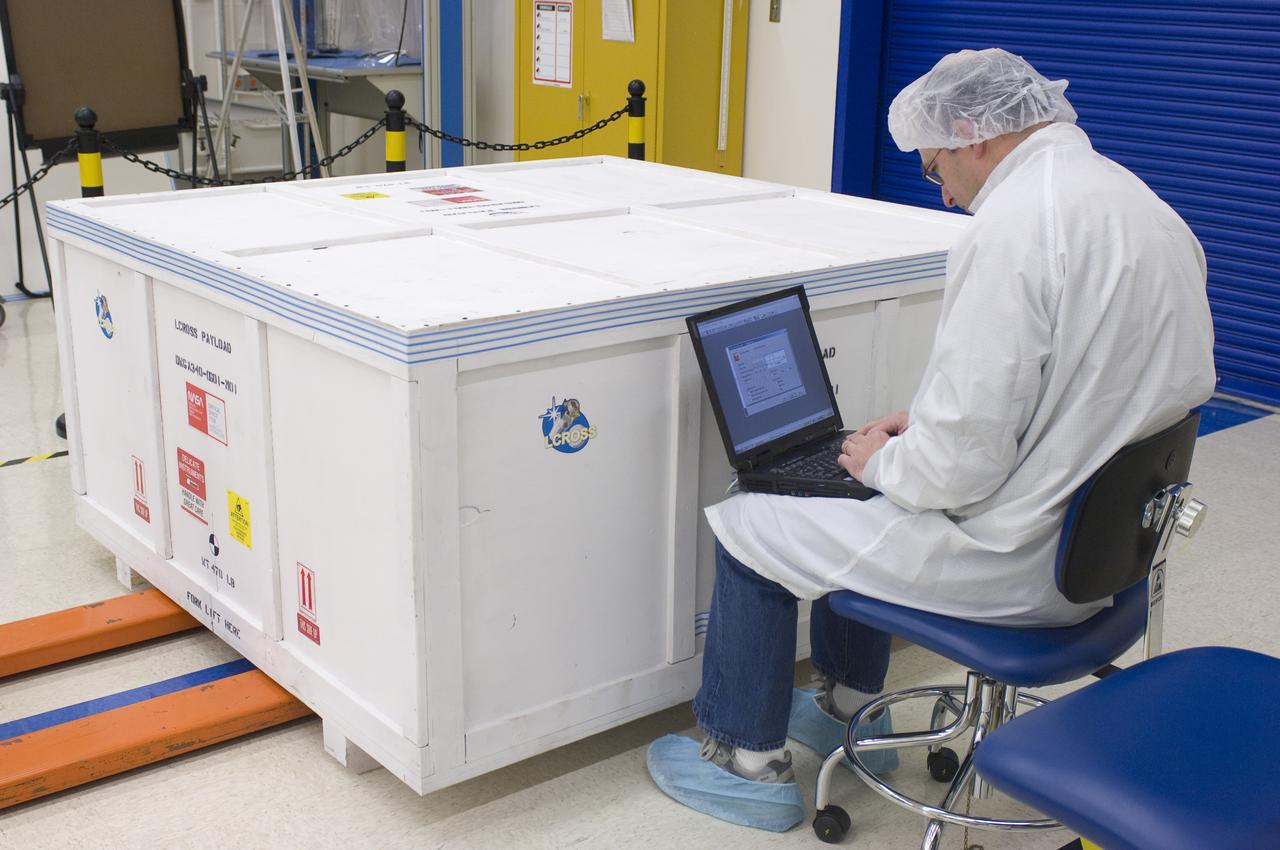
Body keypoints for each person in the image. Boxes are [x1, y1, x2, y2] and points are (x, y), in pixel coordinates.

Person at [646, 47, 1216, 832]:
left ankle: (745, 762)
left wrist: (891, 461)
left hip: (1024, 564)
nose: (942, 190)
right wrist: (918, 439)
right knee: (866, 491)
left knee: (751, 520)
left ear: (974, 132)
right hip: (1107, 554)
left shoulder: (1013, 229)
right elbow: (1119, 387)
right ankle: (853, 710)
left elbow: (952, 470)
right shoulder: (1140, 206)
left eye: (934, 165)